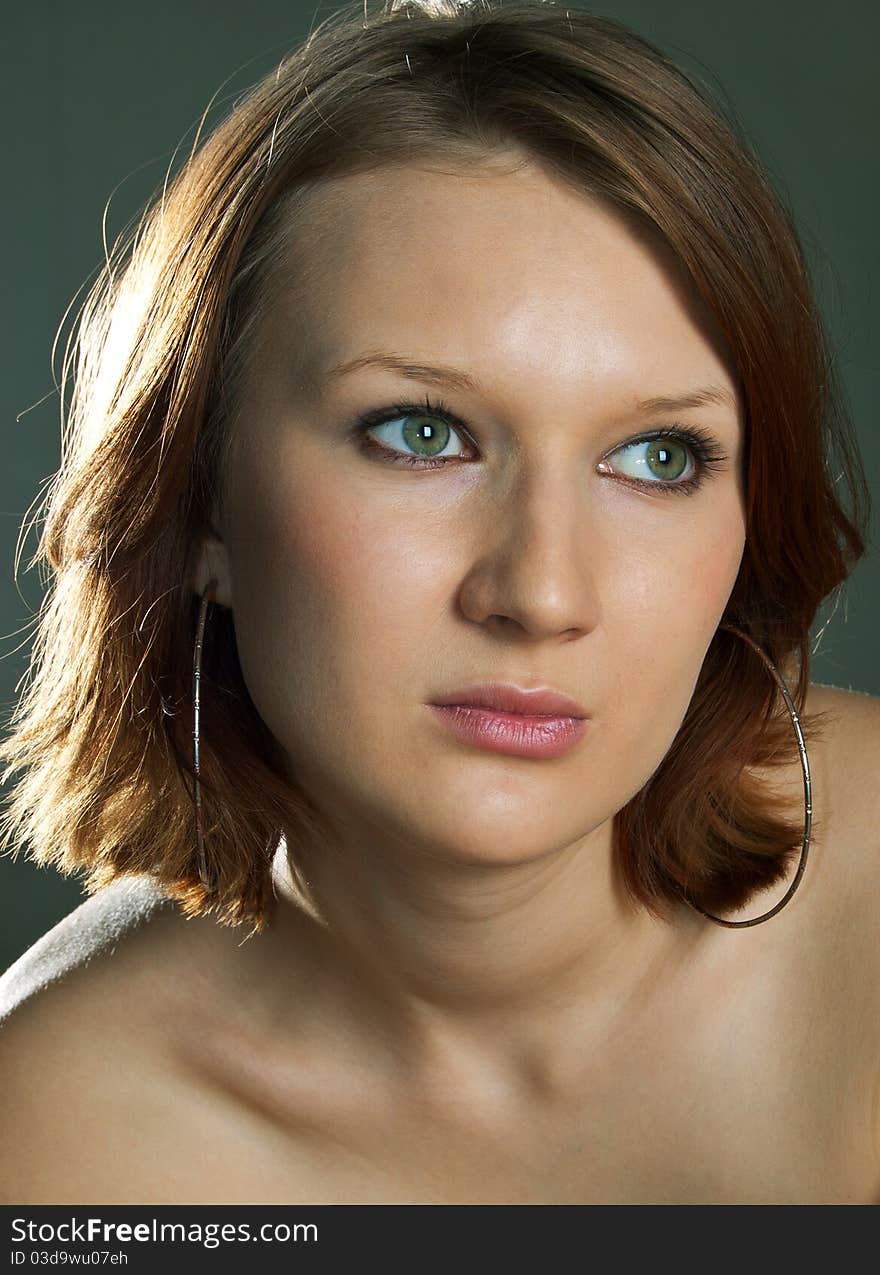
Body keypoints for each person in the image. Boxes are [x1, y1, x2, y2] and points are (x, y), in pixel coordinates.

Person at [0, 0, 877, 1206]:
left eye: (658, 457)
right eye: (422, 435)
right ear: (199, 502)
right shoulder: (44, 1146)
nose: (542, 593)